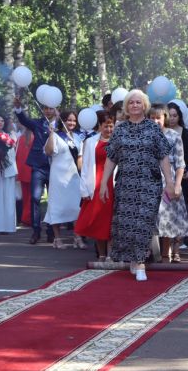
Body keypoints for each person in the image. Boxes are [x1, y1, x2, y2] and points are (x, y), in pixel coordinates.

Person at [100, 90, 175, 281]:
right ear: (126, 106)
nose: (134, 105)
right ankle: (133, 259)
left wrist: (169, 182)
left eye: (138, 102)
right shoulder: (120, 129)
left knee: (143, 223)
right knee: (127, 225)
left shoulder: (153, 128)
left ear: (144, 105)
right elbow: (111, 157)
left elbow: (163, 156)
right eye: (131, 102)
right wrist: (103, 183)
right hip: (126, 184)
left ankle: (141, 262)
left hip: (149, 184)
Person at [13, 97, 57, 244]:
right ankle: (36, 231)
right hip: (38, 167)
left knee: (53, 200)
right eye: (46, 108)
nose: (48, 111)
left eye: (51, 108)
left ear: (55, 109)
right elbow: (24, 120)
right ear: (43, 109)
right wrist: (18, 109)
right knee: (35, 198)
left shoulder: (60, 125)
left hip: (55, 167)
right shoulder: (37, 123)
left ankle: (51, 232)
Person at [75, 110, 115, 260]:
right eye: (106, 126)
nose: (109, 129)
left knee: (111, 221)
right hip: (96, 184)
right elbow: (85, 167)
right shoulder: (91, 142)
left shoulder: (118, 141)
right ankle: (102, 255)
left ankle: (112, 254)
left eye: (111, 126)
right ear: (99, 125)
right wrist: (84, 189)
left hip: (113, 183)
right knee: (99, 221)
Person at [150, 105, 188, 263]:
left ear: (164, 118)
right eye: (152, 118)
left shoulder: (173, 136)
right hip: (150, 180)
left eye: (158, 117)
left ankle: (167, 254)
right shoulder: (145, 136)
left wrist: (177, 184)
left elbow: (180, 163)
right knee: (151, 219)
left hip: (169, 180)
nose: (155, 121)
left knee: (167, 219)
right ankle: (151, 254)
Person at [43, 110, 82, 248]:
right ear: (63, 121)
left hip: (73, 177)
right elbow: (48, 151)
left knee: (76, 207)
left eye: (74, 120)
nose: (71, 123)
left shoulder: (77, 138)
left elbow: (80, 157)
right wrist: (51, 133)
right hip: (58, 177)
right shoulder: (56, 136)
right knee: (57, 206)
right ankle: (57, 239)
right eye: (69, 120)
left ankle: (77, 237)